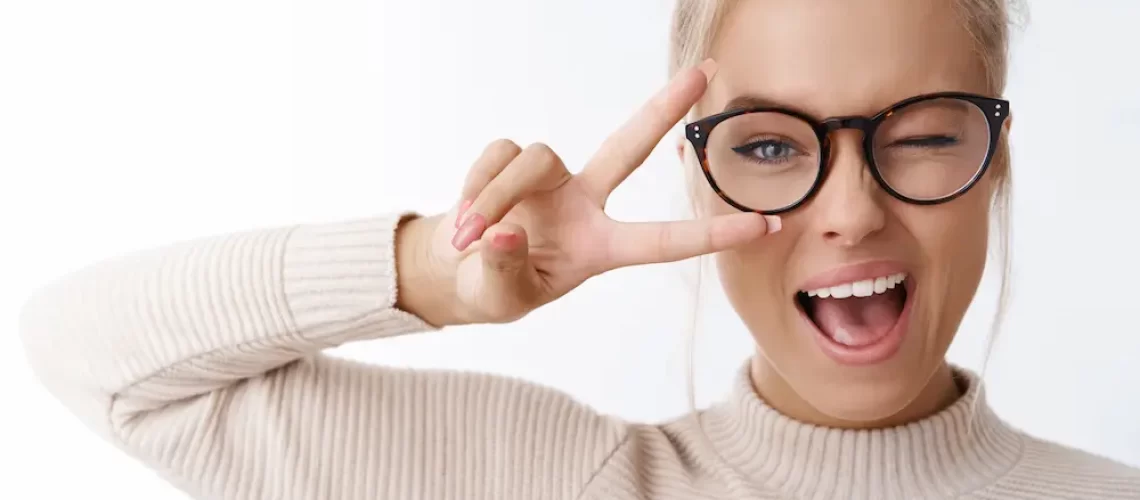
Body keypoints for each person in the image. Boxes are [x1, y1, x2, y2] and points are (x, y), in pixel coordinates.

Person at [18, 0, 1140, 498]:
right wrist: (433, 275)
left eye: (925, 134)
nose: (849, 210)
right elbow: (97, 361)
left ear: (995, 155)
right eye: (768, 144)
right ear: (695, 170)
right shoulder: (556, 481)